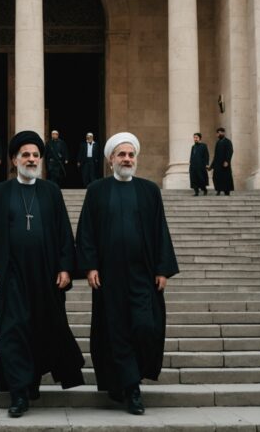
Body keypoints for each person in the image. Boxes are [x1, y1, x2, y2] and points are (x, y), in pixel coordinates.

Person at [0, 130, 85, 418]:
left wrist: (65, 267)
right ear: (14, 159)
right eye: (26, 154)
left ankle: (31, 381)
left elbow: (63, 233)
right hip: (11, 275)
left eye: (36, 155)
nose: (32, 159)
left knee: (41, 328)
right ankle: (19, 392)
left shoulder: (51, 192)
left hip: (46, 275)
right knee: (13, 330)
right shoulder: (0, 193)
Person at [75, 132, 179, 415]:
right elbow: (86, 232)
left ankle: (128, 377)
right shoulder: (97, 190)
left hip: (143, 275)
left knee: (146, 326)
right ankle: (132, 388)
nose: (127, 159)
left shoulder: (149, 191)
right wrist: (91, 265)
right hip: (109, 278)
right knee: (115, 331)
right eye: (121, 154)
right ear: (111, 159)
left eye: (131, 154)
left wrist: (162, 268)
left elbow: (160, 231)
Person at [208, 127, 234, 196]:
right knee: (216, 177)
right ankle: (218, 190)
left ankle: (227, 191)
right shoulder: (218, 142)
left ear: (223, 133)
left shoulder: (227, 141)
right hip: (217, 164)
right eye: (217, 133)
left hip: (224, 164)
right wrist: (211, 166)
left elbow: (230, 152)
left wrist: (227, 161)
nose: (218, 135)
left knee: (226, 177)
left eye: (219, 133)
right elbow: (215, 155)